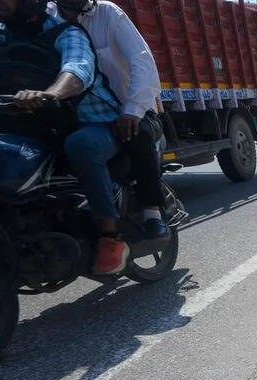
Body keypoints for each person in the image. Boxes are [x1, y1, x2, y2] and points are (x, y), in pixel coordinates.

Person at [0, 0, 129, 275]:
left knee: (82, 146)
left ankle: (109, 237)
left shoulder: (66, 32)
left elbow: (77, 69)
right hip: (15, 130)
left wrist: (50, 93)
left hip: (79, 122)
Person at [51, 0, 169, 240]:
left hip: (129, 111)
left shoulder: (108, 13)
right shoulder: (46, 17)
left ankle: (152, 212)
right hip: (78, 117)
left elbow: (142, 61)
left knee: (136, 133)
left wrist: (132, 110)